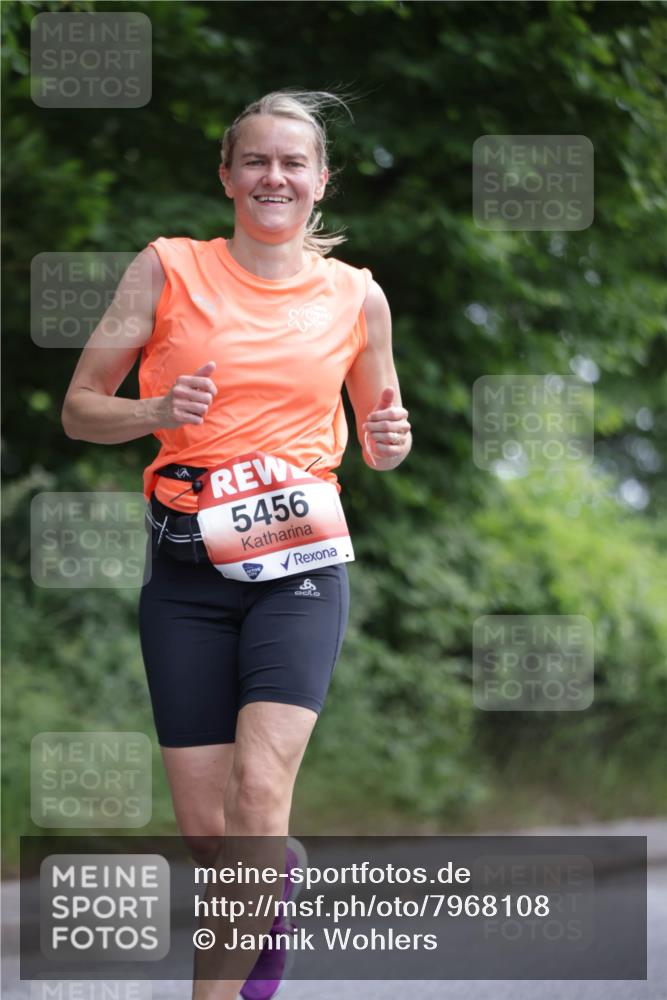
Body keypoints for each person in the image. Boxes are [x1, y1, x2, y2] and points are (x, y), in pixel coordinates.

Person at [61, 88, 411, 1000]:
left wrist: (389, 442)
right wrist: (150, 410)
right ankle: (273, 885)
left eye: (294, 162)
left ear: (322, 180)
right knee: (213, 833)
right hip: (184, 570)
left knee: (260, 792)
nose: (274, 176)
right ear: (226, 176)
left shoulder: (356, 296)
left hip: (300, 566)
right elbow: (78, 409)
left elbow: (380, 427)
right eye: (255, 160)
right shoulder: (167, 269)